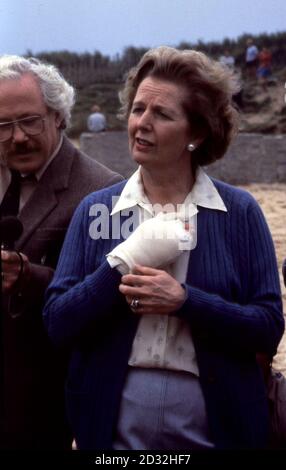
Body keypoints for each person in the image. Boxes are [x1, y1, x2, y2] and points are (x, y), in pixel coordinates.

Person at [43, 46, 284, 450]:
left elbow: (267, 327)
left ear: (198, 133)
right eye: (138, 109)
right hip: (109, 430)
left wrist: (186, 301)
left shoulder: (239, 212)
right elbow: (57, 323)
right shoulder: (96, 211)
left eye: (162, 114)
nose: (141, 124)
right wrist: (120, 265)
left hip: (218, 427)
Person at [0, 55, 122, 449]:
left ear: (57, 116)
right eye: (2, 126)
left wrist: (27, 275)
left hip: (41, 404)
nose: (17, 137)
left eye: (29, 121)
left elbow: (110, 298)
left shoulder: (104, 192)